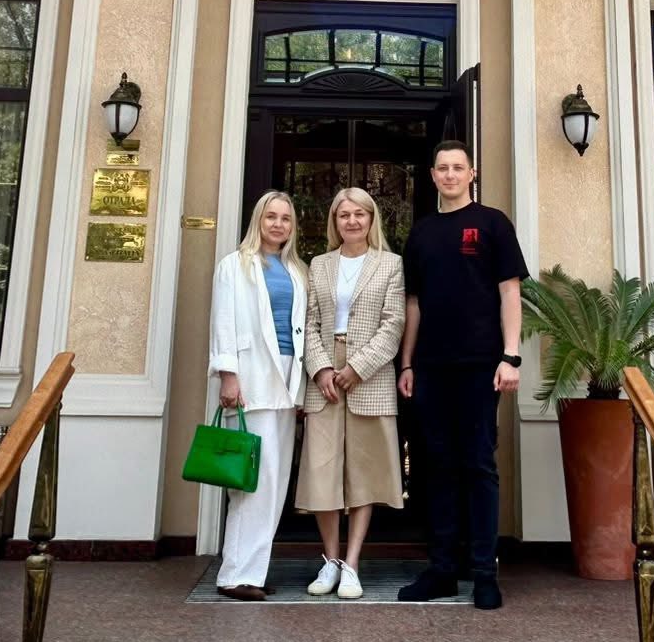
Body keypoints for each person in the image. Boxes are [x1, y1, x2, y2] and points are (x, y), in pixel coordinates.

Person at [396, 140, 526, 611]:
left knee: (478, 465)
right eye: (442, 168)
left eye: (458, 167)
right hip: (431, 367)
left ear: (472, 174)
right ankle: (443, 571)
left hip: (481, 367)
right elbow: (414, 304)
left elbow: (509, 292)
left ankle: (484, 574)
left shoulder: (493, 224)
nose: (450, 175)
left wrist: (510, 356)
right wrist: (407, 362)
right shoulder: (422, 233)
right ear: (433, 175)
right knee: (437, 467)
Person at [295, 187, 406, 600]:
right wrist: (321, 368)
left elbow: (394, 323)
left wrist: (358, 367)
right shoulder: (319, 264)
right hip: (324, 374)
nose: (353, 221)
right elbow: (308, 322)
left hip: (369, 376)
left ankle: (352, 564)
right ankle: (329, 561)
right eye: (344, 215)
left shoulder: (390, 264)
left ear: (371, 219)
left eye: (360, 214)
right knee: (322, 469)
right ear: (335, 222)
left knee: (364, 471)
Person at [207, 190, 309, 601]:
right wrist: (228, 376)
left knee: (275, 481)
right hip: (250, 380)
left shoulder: (297, 270)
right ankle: (235, 575)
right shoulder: (234, 265)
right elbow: (223, 323)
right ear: (258, 220)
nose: (278, 224)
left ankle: (253, 570)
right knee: (251, 482)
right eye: (271, 217)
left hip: (286, 380)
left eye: (285, 218)